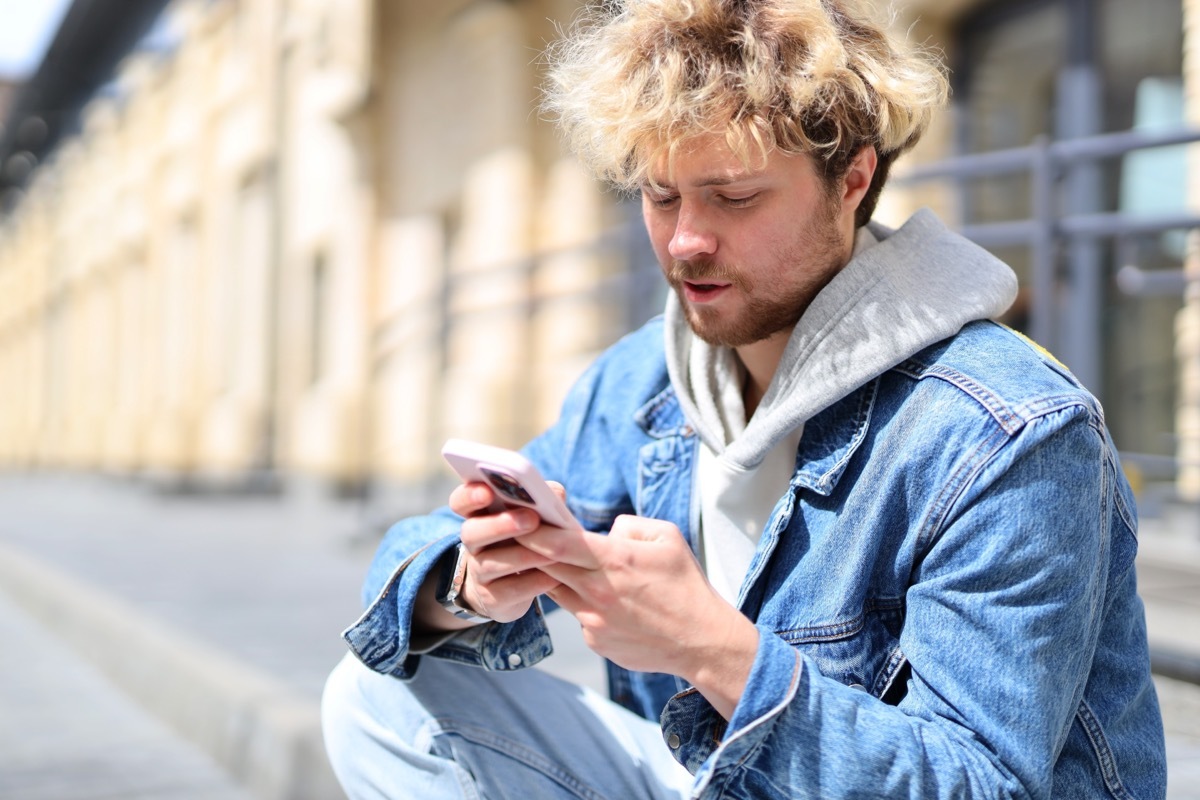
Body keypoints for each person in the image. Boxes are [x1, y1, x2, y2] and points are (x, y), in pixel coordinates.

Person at [321, 0, 1168, 797]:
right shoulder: (643, 378)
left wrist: (712, 649)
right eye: (659, 196)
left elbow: (977, 784)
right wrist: (471, 582)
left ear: (851, 180)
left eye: (733, 197)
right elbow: (420, 557)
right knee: (379, 694)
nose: (686, 240)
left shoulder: (1006, 434)